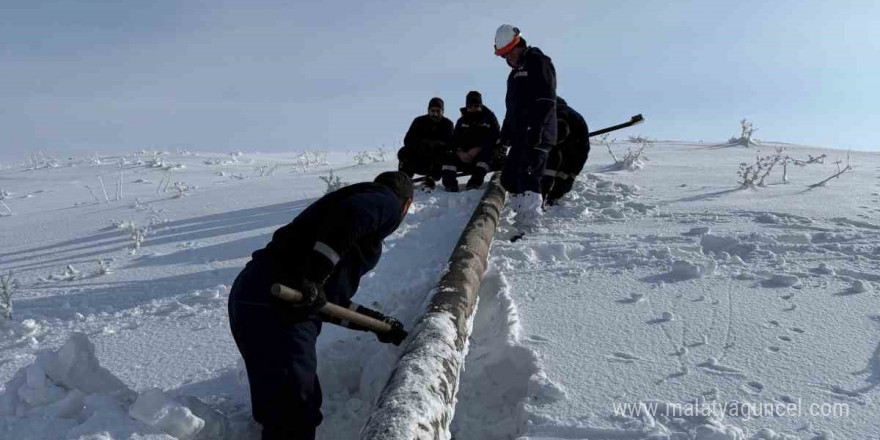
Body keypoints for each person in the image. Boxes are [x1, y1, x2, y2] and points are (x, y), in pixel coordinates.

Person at [227, 171, 413, 440]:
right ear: (406, 205)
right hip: (277, 303)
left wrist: (378, 324)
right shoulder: (386, 201)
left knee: (279, 408)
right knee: (296, 410)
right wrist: (315, 276)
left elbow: (326, 302)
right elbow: (352, 214)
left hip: (253, 295)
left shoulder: (331, 237)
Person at [494, 24, 557, 227]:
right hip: (521, 136)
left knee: (529, 176)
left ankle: (530, 226)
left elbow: (546, 99)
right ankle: (521, 218)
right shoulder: (513, 76)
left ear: (518, 45)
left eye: (508, 54)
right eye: (503, 56)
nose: (507, 59)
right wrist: (504, 138)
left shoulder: (539, 63)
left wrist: (536, 128)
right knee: (510, 178)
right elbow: (511, 111)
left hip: (539, 133)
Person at [441, 91, 501, 192]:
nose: (473, 108)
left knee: (488, 154)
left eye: (476, 105)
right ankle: (450, 185)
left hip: (482, 155)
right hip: (464, 156)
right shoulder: (461, 121)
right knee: (448, 157)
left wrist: (478, 148)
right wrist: (459, 152)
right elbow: (454, 141)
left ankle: (474, 183)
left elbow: (495, 138)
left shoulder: (489, 119)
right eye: (470, 106)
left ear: (480, 105)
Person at [541, 97, 590, 206]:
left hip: (572, 145)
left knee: (561, 172)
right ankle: (550, 197)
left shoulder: (555, 114)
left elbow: (581, 154)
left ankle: (549, 197)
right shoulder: (570, 116)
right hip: (569, 144)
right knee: (559, 172)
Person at [398, 97, 454, 189]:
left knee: (446, 155)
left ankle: (431, 179)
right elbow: (407, 140)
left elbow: (450, 145)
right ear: (428, 110)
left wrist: (434, 145)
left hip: (435, 161)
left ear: (442, 112)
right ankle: (405, 178)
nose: (435, 114)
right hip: (419, 158)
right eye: (432, 111)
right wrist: (422, 145)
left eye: (438, 111)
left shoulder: (448, 124)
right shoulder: (418, 121)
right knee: (403, 152)